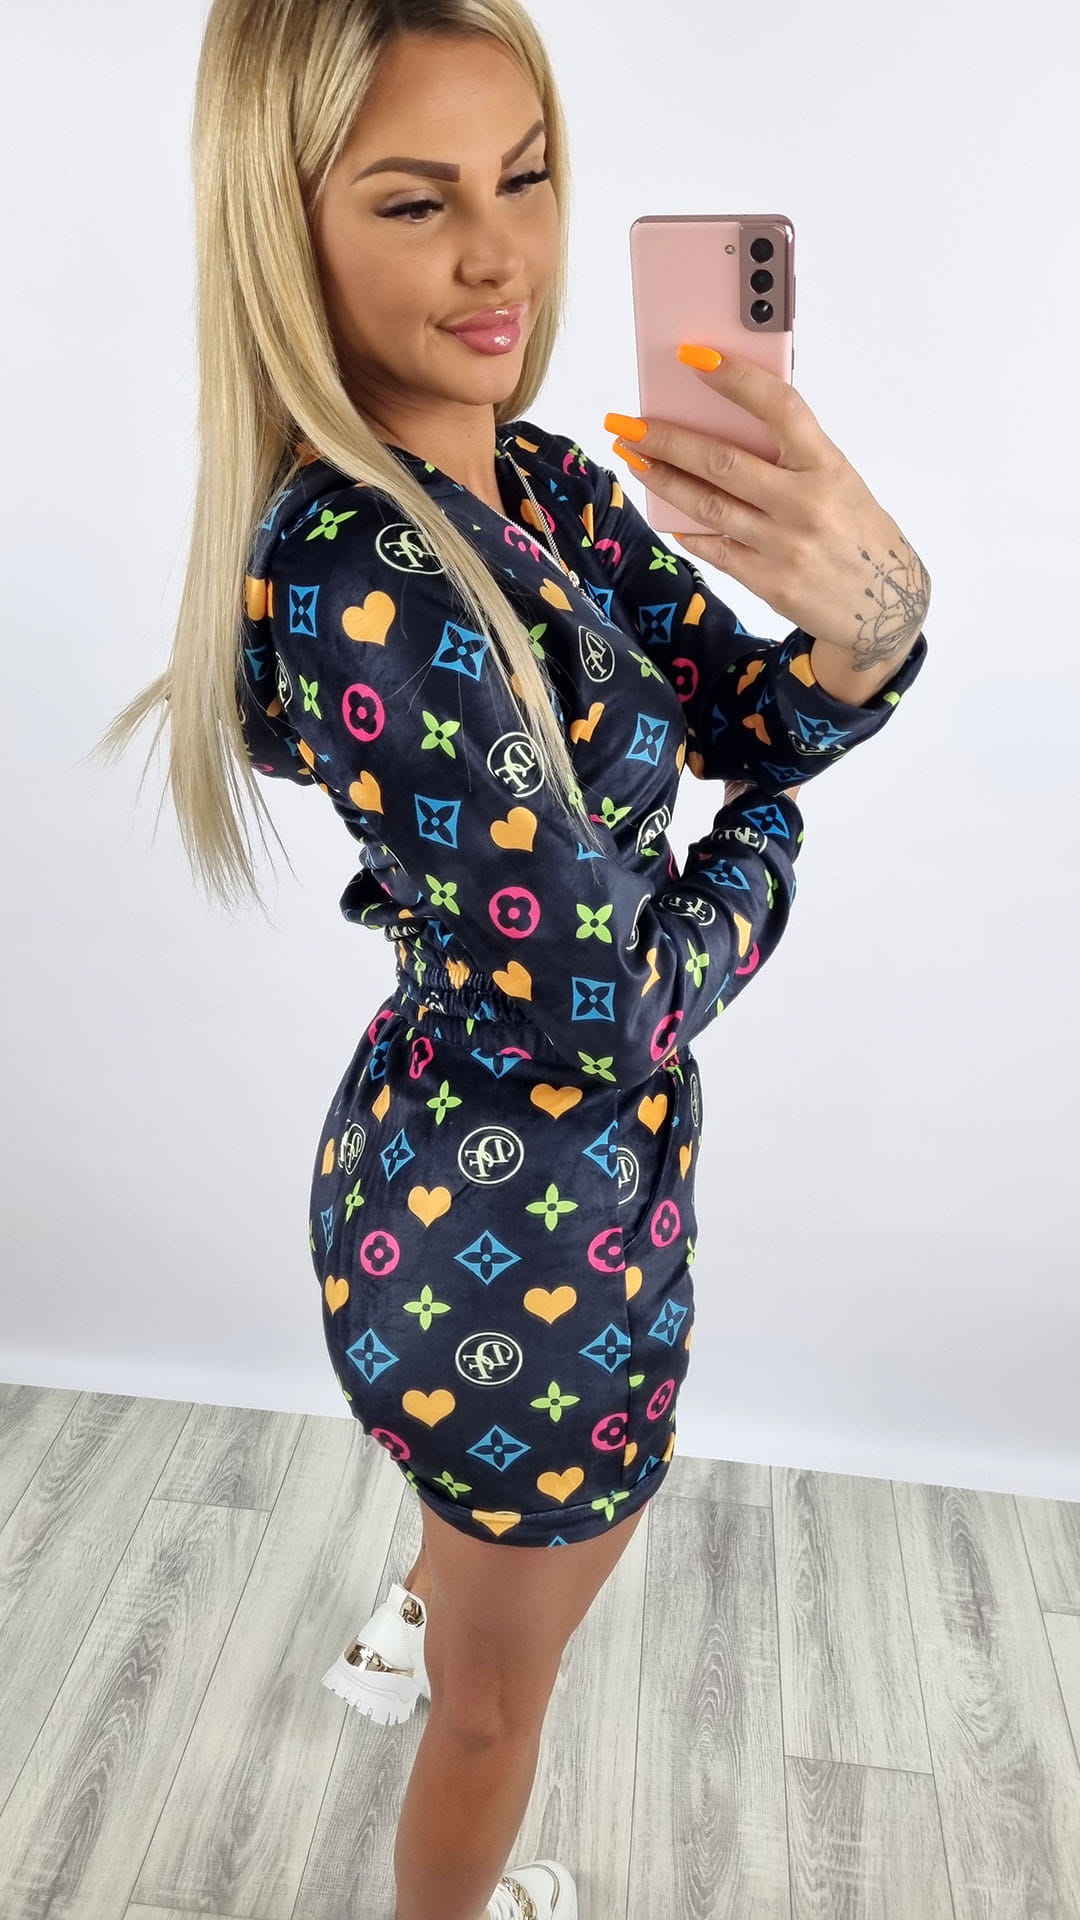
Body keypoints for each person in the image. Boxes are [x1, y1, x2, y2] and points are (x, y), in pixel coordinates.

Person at [95, 6, 928, 1918]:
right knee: (500, 1706)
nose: (501, 257)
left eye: (527, 179)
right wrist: (774, 841)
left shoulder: (529, 480)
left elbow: (743, 705)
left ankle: (423, 1601)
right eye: (418, 203)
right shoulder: (370, 582)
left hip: (543, 1173)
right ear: (286, 235)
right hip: (514, 1211)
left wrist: (869, 624)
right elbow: (607, 1001)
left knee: (515, 1552)